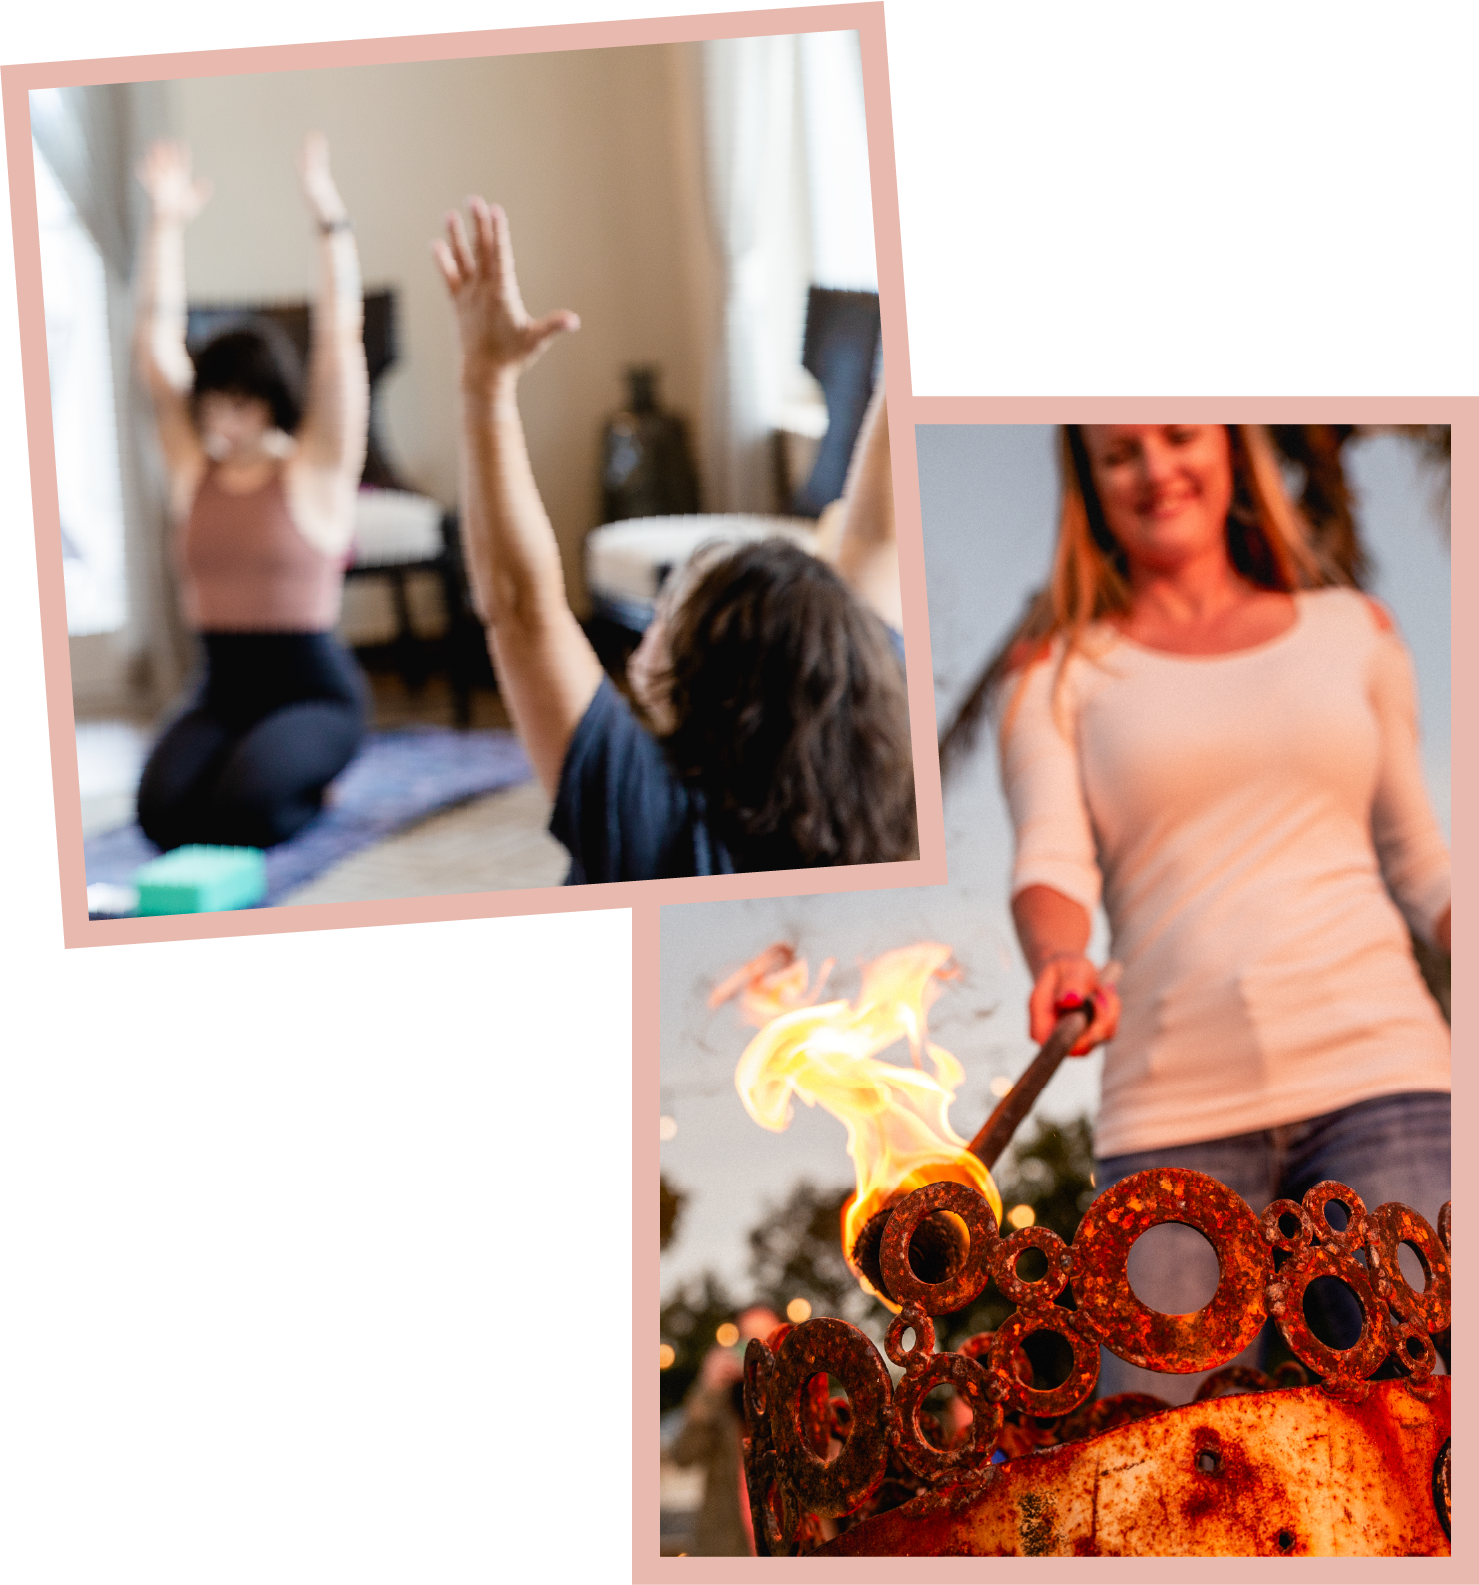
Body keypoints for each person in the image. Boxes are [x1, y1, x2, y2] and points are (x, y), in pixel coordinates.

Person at [979, 425, 1450, 1401]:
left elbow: (1420, 859)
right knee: (1163, 1469)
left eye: (1180, 435)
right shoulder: (1053, 672)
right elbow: (1051, 861)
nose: (1156, 470)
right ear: (1090, 484)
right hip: (1168, 1111)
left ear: (1231, 448)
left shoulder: (1352, 631)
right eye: (1119, 453)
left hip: (1384, 1079)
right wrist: (1060, 956)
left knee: (1423, 1434)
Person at [431, 198, 916, 882]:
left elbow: (519, 605)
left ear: (703, 684)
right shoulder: (889, 752)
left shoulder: (646, 817)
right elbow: (873, 529)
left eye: (669, 610)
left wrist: (484, 381)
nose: (649, 623)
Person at [132, 136, 370, 851]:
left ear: (270, 401)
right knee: (162, 815)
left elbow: (340, 340)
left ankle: (319, 791)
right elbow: (154, 344)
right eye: (211, 405)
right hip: (221, 691)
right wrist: (165, 224)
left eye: (240, 404)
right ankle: (261, 773)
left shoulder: (315, 468)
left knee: (243, 812)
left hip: (313, 695)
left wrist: (327, 216)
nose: (220, 422)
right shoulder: (192, 469)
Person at [670, 1306, 781, 1556]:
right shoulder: (721, 1405)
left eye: (769, 1340)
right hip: (732, 1548)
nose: (759, 1352)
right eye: (749, 1342)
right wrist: (709, 1388)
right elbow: (683, 1455)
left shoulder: (800, 1401)